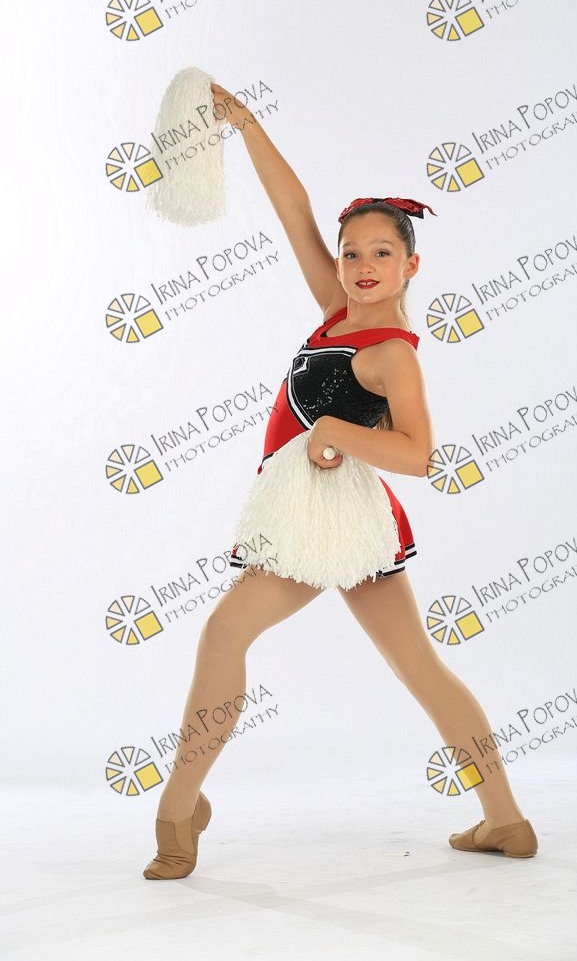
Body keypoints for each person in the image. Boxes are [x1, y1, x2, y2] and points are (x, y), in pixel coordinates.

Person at [142, 83, 538, 880]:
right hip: (327, 515)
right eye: (351, 252)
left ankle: (177, 809)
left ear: (410, 265)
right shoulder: (334, 311)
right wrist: (246, 123)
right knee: (417, 666)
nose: (360, 266)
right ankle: (505, 820)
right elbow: (294, 211)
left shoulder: (391, 351)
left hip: (328, 520)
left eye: (380, 254)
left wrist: (333, 433)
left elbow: (419, 454)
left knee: (225, 634)